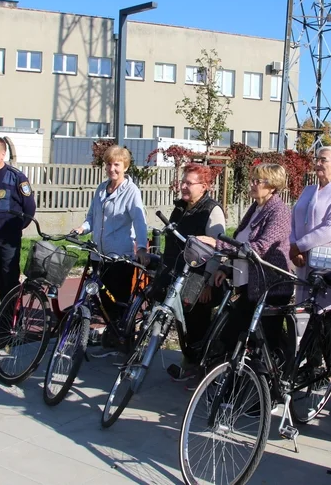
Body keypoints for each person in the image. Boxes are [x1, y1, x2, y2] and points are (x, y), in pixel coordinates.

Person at [215, 163, 294, 366]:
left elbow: (259, 247)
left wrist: (216, 243)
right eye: (253, 179)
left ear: (273, 186)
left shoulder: (279, 212)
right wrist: (226, 268)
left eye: (257, 181)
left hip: (269, 287)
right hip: (250, 285)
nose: (252, 184)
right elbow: (240, 239)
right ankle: (241, 384)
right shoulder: (256, 207)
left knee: (265, 343)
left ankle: (270, 388)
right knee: (234, 337)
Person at [160, 163, 227, 381]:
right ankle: (189, 363)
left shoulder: (211, 209)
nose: (184, 187)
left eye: (189, 183)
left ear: (204, 186)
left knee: (198, 325)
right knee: (183, 323)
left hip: (198, 279)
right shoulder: (181, 207)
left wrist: (208, 282)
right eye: (183, 182)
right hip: (178, 274)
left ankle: (201, 369)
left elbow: (217, 247)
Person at [74, 145, 147, 324]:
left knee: (119, 301)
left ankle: (122, 340)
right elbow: (92, 217)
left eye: (116, 164)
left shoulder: (131, 191)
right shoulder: (101, 188)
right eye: (108, 164)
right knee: (104, 301)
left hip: (119, 257)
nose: (111, 169)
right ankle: (110, 334)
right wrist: (82, 229)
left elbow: (140, 222)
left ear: (125, 166)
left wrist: (143, 247)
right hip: (98, 254)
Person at [289, 146, 331, 340]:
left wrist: (300, 245)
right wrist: (295, 247)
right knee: (302, 315)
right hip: (301, 261)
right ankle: (305, 361)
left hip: (324, 263)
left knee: (323, 317)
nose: (317, 163)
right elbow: (294, 221)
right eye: (317, 159)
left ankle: (326, 363)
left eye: (323, 160)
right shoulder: (309, 190)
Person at [0, 136, 36, 302]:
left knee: (10, 280)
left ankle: (15, 321)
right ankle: (5, 319)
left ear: (2, 155)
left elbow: (29, 207)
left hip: (8, 238)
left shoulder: (16, 177)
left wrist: (16, 228)